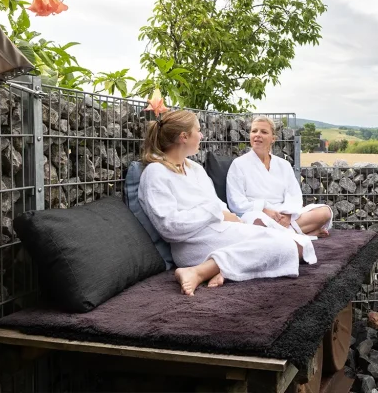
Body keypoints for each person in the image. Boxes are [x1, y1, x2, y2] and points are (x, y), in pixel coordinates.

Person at [138, 109, 317, 296]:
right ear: (184, 136)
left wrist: (231, 218)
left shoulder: (195, 169)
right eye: (198, 130)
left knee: (298, 245)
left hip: (220, 230)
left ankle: (222, 269)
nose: (201, 135)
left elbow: (216, 204)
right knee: (287, 246)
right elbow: (169, 227)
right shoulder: (155, 173)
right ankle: (198, 271)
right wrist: (216, 212)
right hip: (192, 244)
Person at [226, 116, 333, 239]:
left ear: (273, 139)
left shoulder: (284, 165)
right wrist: (264, 210)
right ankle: (305, 234)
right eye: (254, 131)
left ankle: (284, 234)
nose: (257, 135)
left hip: (283, 215)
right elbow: (236, 202)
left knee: (325, 212)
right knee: (257, 223)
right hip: (256, 215)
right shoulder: (238, 164)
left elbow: (294, 195)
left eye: (264, 132)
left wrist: (287, 215)